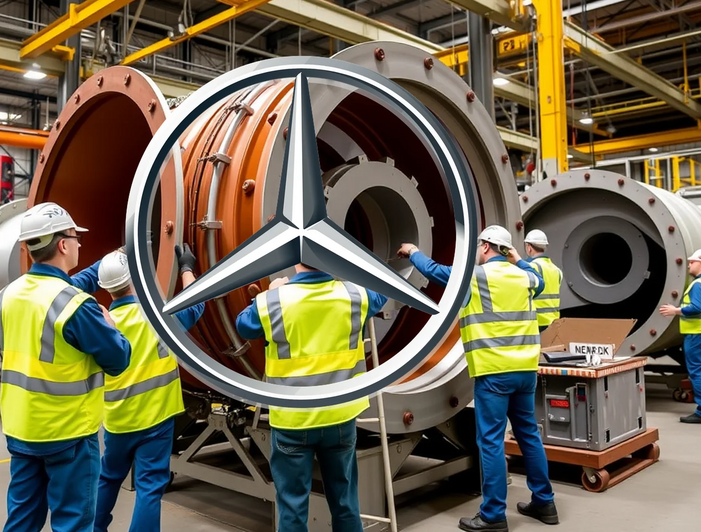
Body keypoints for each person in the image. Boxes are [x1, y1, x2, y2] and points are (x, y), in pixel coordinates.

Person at [398, 225, 558, 532]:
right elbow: (537, 280)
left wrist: (412, 252)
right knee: (528, 435)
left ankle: (493, 515)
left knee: (491, 442)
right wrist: (517, 258)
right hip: (526, 371)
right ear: (506, 250)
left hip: (494, 373)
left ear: (485, 246)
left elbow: (435, 271)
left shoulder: (476, 277)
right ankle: (545, 502)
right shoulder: (525, 277)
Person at [0, 202, 132, 532]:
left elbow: (58, 291)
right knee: (73, 524)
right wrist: (111, 326)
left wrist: (113, 258)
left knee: (21, 521)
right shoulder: (78, 306)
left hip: (22, 429)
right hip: (68, 433)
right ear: (64, 245)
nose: (80, 244)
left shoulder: (6, 297)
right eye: (76, 238)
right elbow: (118, 360)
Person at [235, 264, 387, 532]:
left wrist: (268, 293)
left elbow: (243, 325)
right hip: (340, 418)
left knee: (292, 509)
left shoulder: (274, 301)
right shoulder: (355, 295)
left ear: (296, 259)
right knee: (346, 504)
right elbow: (384, 290)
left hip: (293, 422)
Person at [94, 244, 205, 531]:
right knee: (150, 487)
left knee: (108, 478)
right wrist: (186, 268)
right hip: (157, 420)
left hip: (118, 421)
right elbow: (195, 304)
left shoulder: (102, 323)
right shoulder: (157, 316)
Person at [660, 248, 701, 424]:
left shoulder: (697, 284)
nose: (689, 265)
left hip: (695, 334)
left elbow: (697, 307)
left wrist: (675, 311)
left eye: (692, 262)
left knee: (696, 372)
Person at [523, 229, 563, 332]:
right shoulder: (556, 270)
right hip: (553, 323)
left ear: (529, 247)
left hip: (536, 323)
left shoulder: (530, 268)